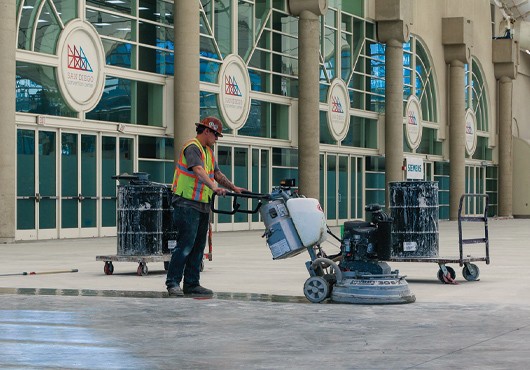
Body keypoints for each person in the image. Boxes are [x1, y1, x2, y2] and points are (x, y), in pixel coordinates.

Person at [166, 116, 246, 297]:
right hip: (186, 204)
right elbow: (198, 170)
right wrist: (214, 187)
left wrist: (233, 187)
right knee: (185, 245)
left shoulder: (208, 152)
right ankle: (173, 283)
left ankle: (192, 283)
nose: (217, 138)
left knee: (198, 247)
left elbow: (216, 173)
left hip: (202, 205)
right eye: (216, 134)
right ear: (207, 130)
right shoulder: (192, 148)